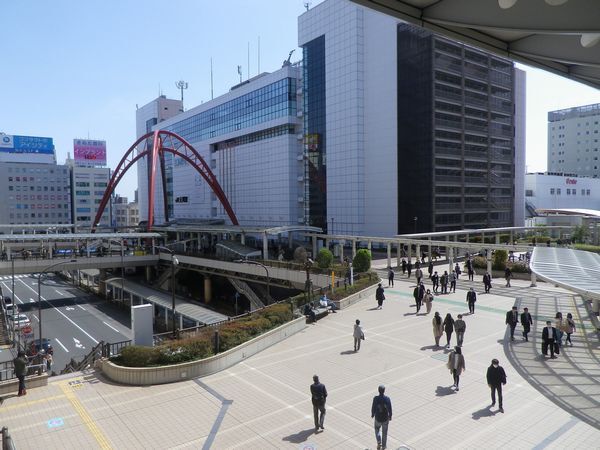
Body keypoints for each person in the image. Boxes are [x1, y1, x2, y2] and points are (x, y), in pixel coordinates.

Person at [371, 385, 392, 450]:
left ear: (378, 390)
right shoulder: (387, 399)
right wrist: (390, 416)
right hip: (385, 419)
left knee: (377, 429)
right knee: (384, 433)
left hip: (378, 418)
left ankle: (379, 441)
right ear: (384, 391)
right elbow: (390, 408)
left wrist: (372, 414)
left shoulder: (375, 398)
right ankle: (383, 447)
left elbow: (373, 407)